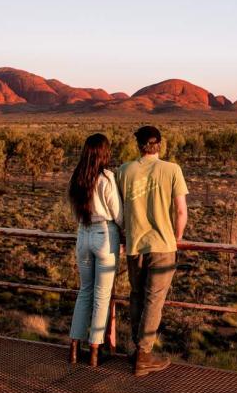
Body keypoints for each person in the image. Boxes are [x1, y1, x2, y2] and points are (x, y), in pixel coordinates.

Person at [117, 125, 188, 376]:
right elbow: (181, 211)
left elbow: (119, 209)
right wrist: (176, 237)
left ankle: (138, 351)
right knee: (154, 300)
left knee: (137, 296)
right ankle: (144, 355)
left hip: (135, 245)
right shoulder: (172, 170)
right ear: (160, 144)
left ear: (138, 145)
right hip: (162, 245)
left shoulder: (124, 170)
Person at [67, 133, 123, 367]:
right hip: (104, 235)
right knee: (101, 296)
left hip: (83, 234)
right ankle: (94, 350)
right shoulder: (106, 177)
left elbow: (74, 211)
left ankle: (73, 347)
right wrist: (126, 234)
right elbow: (118, 214)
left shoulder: (77, 177)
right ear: (103, 153)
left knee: (85, 292)